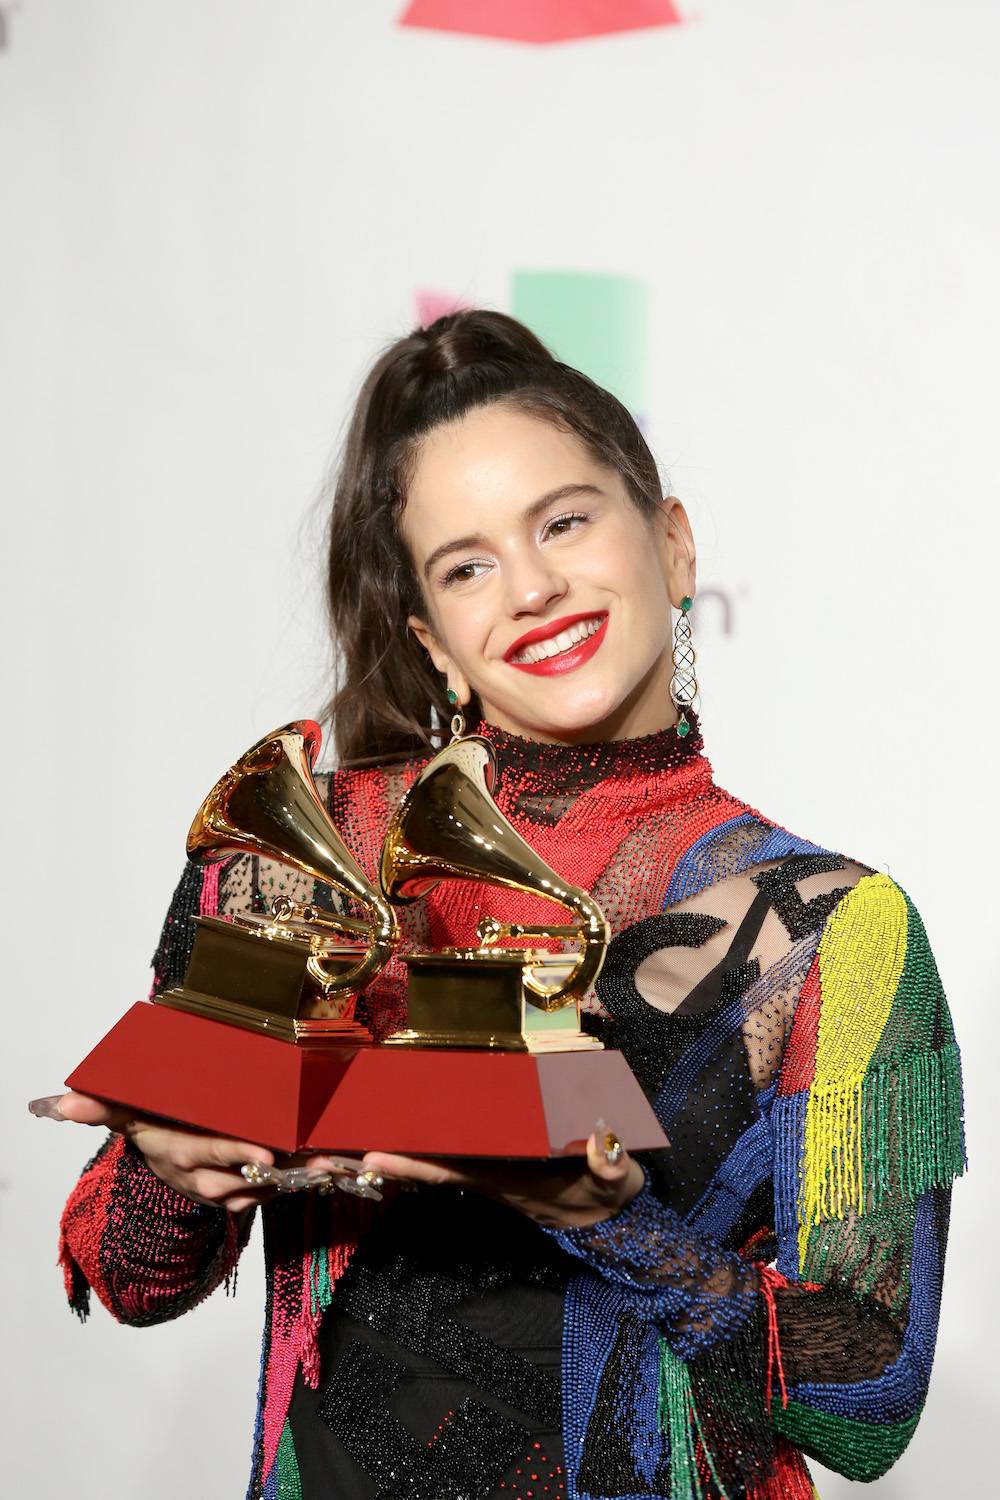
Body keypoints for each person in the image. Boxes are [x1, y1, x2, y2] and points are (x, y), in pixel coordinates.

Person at [46, 310, 966, 1500]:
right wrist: (171, 1170)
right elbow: (127, 1279)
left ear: (674, 546)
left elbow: (869, 1400)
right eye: (467, 564)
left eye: (565, 522)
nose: (530, 588)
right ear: (433, 641)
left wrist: (607, 1220)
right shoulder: (308, 852)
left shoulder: (838, 928)